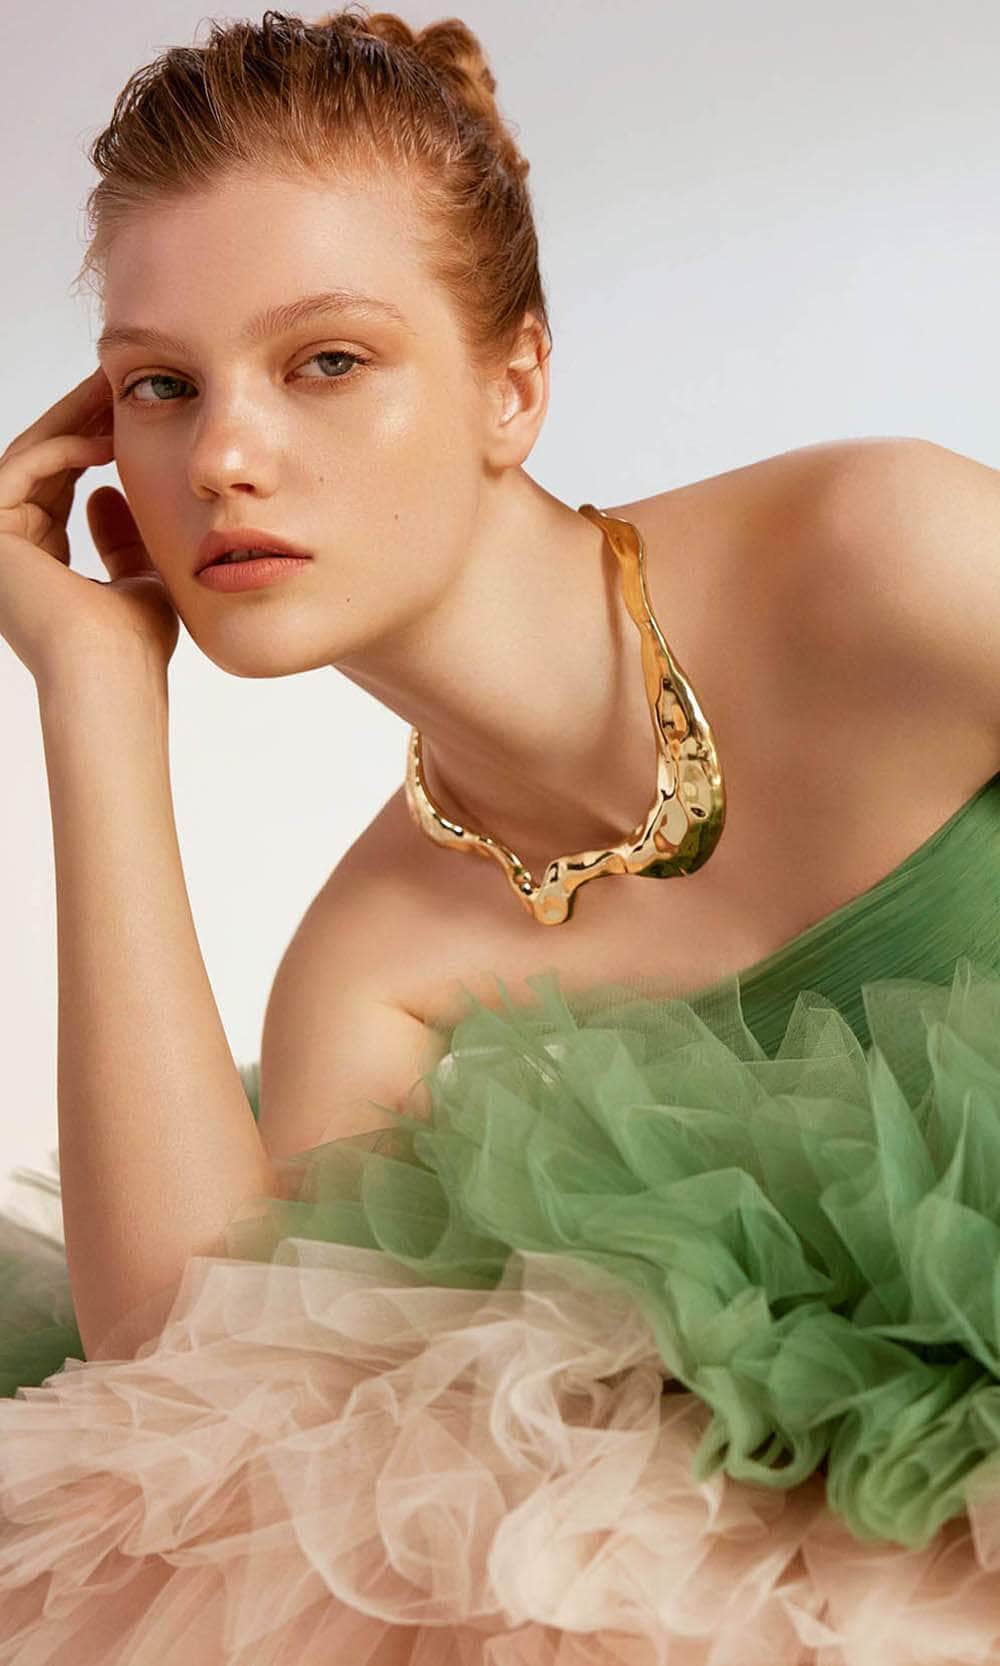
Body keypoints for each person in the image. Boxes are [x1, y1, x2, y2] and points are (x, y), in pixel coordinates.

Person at [0, 7, 999, 1662]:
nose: (222, 456)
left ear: (514, 384)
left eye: (326, 360)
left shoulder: (880, 557)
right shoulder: (377, 967)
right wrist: (94, 696)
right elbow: (196, 1409)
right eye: (158, 386)